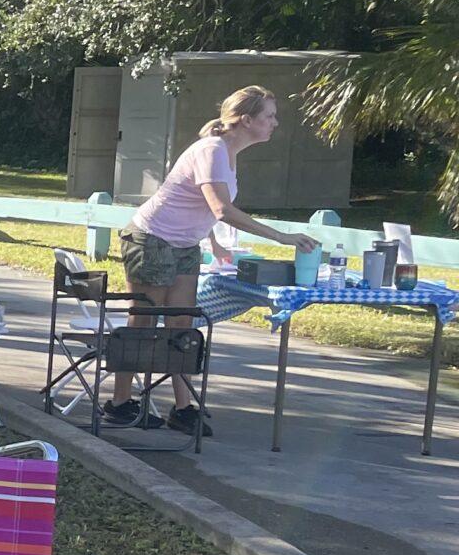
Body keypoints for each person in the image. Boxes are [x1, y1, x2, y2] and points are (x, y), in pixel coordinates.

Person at [108, 84, 316, 438]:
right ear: (246, 120)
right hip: (151, 239)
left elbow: (200, 205)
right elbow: (221, 208)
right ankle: (119, 403)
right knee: (144, 320)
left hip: (185, 245)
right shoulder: (212, 150)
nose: (275, 123)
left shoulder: (228, 153)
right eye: (269, 116)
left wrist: (214, 242)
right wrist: (281, 237)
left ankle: (182, 408)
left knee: (181, 325)